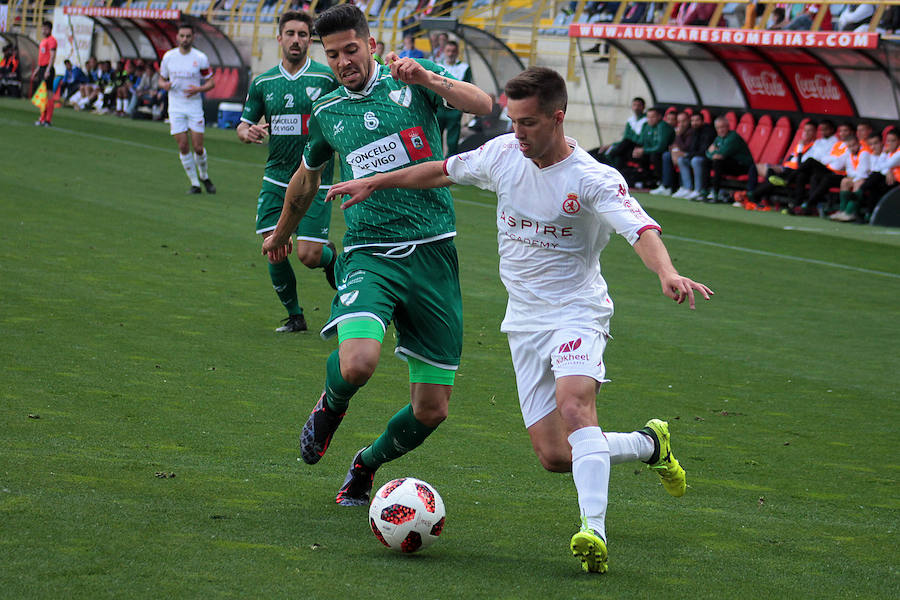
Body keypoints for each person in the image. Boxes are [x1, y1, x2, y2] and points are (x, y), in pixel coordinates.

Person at [325, 66, 713, 574]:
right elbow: (439, 170)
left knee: (575, 406)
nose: (517, 132)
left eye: (527, 122)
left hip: (577, 311)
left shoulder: (592, 179)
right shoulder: (504, 154)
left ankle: (593, 531)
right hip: (524, 322)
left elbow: (640, 230)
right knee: (556, 456)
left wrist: (667, 272)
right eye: (512, 120)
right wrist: (374, 182)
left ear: (558, 118)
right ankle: (648, 444)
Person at [260, 4, 491, 506]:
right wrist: (281, 234)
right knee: (359, 362)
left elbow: (483, 104)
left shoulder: (411, 79)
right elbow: (306, 180)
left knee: (432, 410)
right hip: (370, 254)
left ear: (370, 44)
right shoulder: (327, 111)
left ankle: (366, 464)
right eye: (333, 54)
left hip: (434, 254)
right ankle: (331, 404)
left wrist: (429, 78)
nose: (343, 62)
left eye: (351, 50)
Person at [238, 11, 340, 333]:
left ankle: (331, 258)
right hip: (276, 178)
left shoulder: (327, 78)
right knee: (275, 249)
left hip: (315, 178)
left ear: (310, 40)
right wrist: (247, 131)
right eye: (291, 34)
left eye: (303, 34)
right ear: (279, 38)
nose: (297, 40)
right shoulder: (263, 82)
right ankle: (295, 316)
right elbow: (243, 124)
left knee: (309, 255)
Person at [159, 22, 217, 195]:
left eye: (188, 36)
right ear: (177, 37)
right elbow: (161, 79)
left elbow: (211, 82)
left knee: (198, 147)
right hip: (175, 107)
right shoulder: (169, 57)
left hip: (194, 107)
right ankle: (195, 184)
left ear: (193, 37)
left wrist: (198, 89)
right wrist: (165, 85)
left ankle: (204, 176)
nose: (185, 39)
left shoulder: (200, 58)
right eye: (182, 36)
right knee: (183, 146)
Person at [744, 120, 817, 211]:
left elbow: (800, 164)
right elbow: (790, 159)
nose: (806, 133)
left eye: (809, 130)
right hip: (786, 169)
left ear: (815, 132)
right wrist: (781, 166)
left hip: (795, 172)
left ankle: (753, 197)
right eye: (805, 130)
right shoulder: (800, 144)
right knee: (760, 168)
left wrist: (800, 149)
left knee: (774, 177)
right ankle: (756, 195)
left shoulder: (814, 146)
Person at [705, 116, 757, 203]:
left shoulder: (733, 137)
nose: (720, 130)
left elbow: (721, 154)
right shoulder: (718, 138)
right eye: (718, 128)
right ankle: (703, 190)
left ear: (728, 127)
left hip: (744, 167)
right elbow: (707, 153)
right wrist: (712, 154)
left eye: (722, 127)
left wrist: (713, 152)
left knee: (718, 162)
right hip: (730, 164)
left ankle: (715, 193)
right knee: (705, 162)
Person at [435, 40, 472, 155]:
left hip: (455, 108)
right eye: (448, 51)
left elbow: (467, 88)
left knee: (453, 140)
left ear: (457, 52)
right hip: (439, 107)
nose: (450, 54)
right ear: (444, 52)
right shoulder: (437, 66)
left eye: (453, 51)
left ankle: (451, 161)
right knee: (436, 136)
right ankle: (437, 160)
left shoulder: (464, 67)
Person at [628, 107, 674, 189]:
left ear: (659, 117)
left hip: (664, 153)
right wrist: (638, 150)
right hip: (651, 152)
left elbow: (660, 147)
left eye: (653, 117)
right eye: (648, 117)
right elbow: (642, 141)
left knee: (655, 156)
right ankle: (645, 181)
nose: (650, 119)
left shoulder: (662, 126)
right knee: (634, 153)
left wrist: (643, 150)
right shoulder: (646, 126)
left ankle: (660, 182)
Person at [675, 111, 716, 200]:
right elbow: (690, 148)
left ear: (703, 121)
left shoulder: (708, 131)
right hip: (695, 156)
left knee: (696, 160)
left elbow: (704, 151)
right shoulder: (694, 131)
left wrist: (687, 154)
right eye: (692, 121)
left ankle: (698, 190)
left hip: (707, 159)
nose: (694, 123)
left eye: (697, 120)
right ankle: (687, 188)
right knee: (681, 159)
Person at [600, 97, 646, 171]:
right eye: (634, 105)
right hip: (626, 145)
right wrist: (613, 144)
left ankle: (608, 157)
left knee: (621, 147)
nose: (636, 108)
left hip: (635, 145)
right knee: (618, 155)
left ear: (643, 107)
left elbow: (639, 139)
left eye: (639, 105)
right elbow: (625, 137)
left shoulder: (646, 120)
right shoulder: (630, 120)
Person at [651, 109, 689, 196]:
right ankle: (665, 185)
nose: (670, 122)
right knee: (664, 155)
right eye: (668, 119)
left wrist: (678, 137)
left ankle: (682, 187)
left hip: (686, 154)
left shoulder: (685, 131)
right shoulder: (669, 129)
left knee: (674, 158)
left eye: (673, 119)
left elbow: (684, 147)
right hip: (675, 153)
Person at [33, 20, 57, 126]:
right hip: (42, 68)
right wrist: (37, 69)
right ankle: (42, 118)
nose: (43, 31)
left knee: (49, 95)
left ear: (50, 30)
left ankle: (48, 119)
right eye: (43, 28)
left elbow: (52, 56)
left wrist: (48, 69)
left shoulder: (52, 40)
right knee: (43, 95)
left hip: (47, 69)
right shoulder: (43, 41)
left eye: (46, 29)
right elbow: (42, 57)